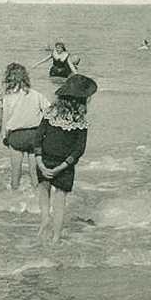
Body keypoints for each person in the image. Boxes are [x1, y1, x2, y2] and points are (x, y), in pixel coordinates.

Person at [34, 74, 97, 243]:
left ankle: (45, 218)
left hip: (45, 159)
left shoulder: (50, 113)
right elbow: (78, 150)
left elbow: (38, 138)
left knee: (43, 189)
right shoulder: (81, 121)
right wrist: (61, 167)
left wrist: (39, 162)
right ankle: (56, 238)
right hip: (65, 165)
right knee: (60, 200)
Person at [1, 63, 50, 189]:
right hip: (35, 135)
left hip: (17, 136)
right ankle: (37, 202)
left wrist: (4, 137)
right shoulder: (36, 94)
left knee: (15, 173)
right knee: (35, 174)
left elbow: (6, 119)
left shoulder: (8, 97)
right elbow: (49, 111)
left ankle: (14, 203)